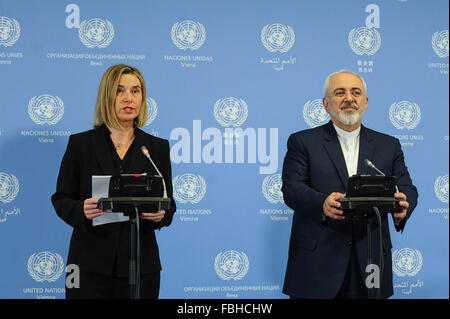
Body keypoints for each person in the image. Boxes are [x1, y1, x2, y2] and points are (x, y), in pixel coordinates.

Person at [281, 70, 418, 299]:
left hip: (371, 261)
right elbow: (292, 189)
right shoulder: (302, 141)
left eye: (356, 92)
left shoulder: (389, 145)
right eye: (339, 92)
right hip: (317, 263)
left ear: (365, 102)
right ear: (326, 103)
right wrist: (321, 202)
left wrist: (405, 204)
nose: (349, 98)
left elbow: (407, 188)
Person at [51, 64, 176, 299]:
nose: (129, 98)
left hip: (141, 267)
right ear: (107, 95)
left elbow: (169, 203)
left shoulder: (157, 148)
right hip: (86, 266)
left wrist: (163, 214)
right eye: (119, 90)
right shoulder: (80, 145)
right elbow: (61, 198)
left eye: (135, 91)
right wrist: (81, 209)